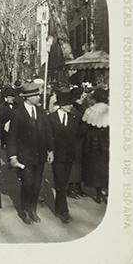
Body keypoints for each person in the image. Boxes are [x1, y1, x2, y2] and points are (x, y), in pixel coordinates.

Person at [7, 82, 54, 225]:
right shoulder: (17, 113)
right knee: (27, 184)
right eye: (36, 95)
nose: (39, 97)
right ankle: (25, 211)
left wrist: (50, 150)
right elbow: (12, 137)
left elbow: (48, 133)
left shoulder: (41, 112)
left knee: (36, 184)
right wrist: (13, 156)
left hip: (40, 156)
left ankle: (33, 210)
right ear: (28, 97)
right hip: (24, 157)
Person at [46, 89, 81, 223]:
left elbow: (77, 135)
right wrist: (50, 151)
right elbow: (49, 137)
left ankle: (59, 207)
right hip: (57, 156)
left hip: (69, 155)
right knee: (60, 182)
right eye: (68, 104)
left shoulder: (73, 117)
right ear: (61, 104)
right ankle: (63, 211)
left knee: (64, 182)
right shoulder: (51, 118)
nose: (71, 106)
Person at [81, 88, 109, 204]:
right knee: (105, 165)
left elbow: (84, 126)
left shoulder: (90, 110)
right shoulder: (109, 110)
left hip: (92, 140)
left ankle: (98, 193)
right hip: (106, 139)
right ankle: (105, 191)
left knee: (94, 166)